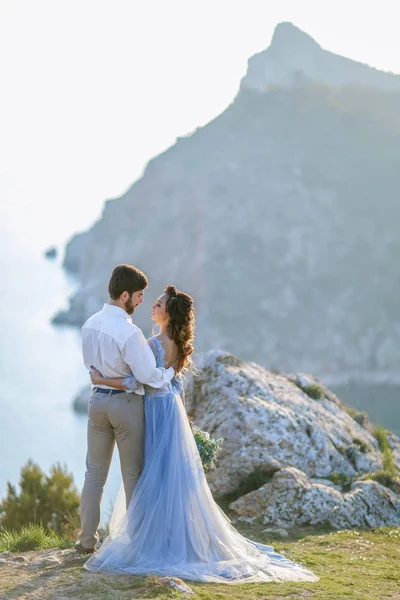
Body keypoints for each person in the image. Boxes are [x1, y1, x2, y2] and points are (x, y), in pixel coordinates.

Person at [84, 284, 318, 584]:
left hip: (155, 411)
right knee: (170, 476)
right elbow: (176, 386)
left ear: (168, 313)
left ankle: (150, 538)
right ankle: (171, 535)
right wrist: (184, 423)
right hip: (171, 411)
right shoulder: (178, 345)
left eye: (158, 304)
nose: (152, 306)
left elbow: (136, 381)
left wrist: (101, 378)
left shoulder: (151, 343)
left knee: (150, 476)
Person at [75, 265, 175, 555]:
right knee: (132, 475)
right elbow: (147, 376)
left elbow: (90, 367)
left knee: (93, 476)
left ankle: (86, 541)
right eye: (140, 295)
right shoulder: (130, 333)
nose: (143, 301)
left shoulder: (89, 324)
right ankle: (137, 544)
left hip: (97, 403)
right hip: (125, 406)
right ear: (125, 295)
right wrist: (168, 374)